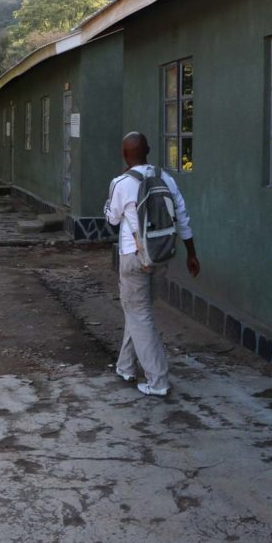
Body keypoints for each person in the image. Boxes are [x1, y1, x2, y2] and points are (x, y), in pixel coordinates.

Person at [105, 131, 200, 397]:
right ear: (149, 150)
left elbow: (112, 219)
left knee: (139, 314)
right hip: (161, 256)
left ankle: (158, 381)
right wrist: (191, 253)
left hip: (133, 257)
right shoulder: (165, 178)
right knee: (138, 312)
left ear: (125, 155)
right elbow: (181, 216)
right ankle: (125, 366)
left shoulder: (121, 182)